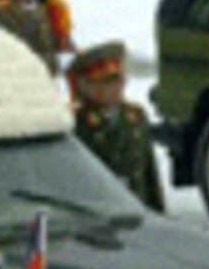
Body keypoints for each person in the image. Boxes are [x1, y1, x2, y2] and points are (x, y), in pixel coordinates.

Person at [68, 42, 165, 213]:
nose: (117, 87)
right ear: (85, 86)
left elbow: (149, 176)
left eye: (118, 80)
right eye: (106, 82)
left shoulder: (135, 116)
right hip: (96, 214)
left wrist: (158, 214)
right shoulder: (74, 122)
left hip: (136, 211)